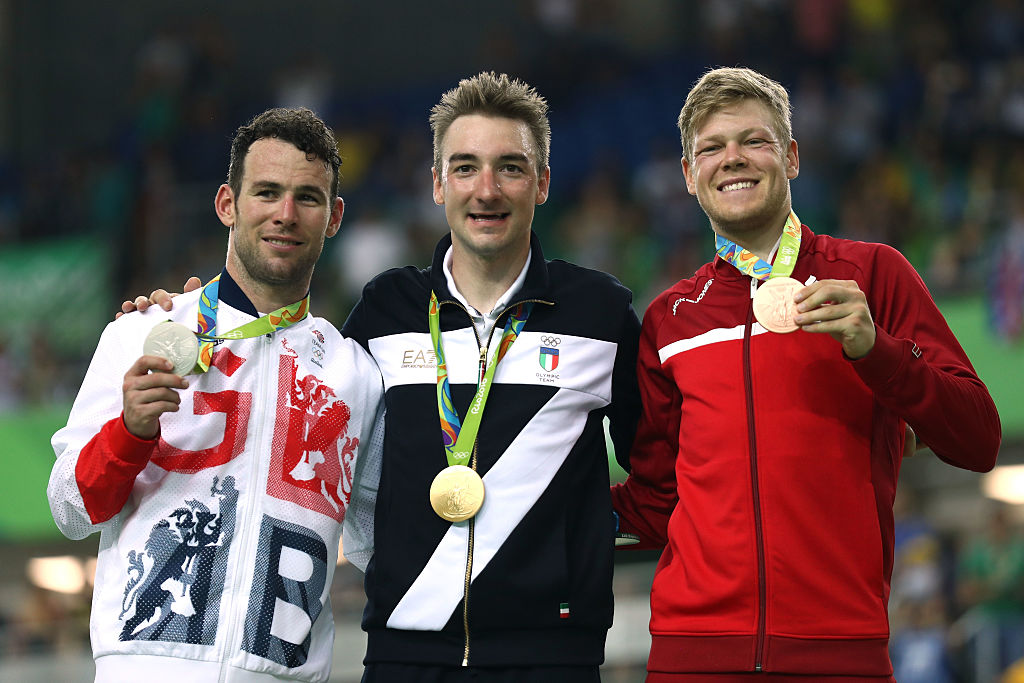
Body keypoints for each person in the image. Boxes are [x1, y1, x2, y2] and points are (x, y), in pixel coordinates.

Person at [610, 67, 1002, 681]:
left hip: (839, 648)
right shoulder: (670, 319)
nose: (732, 159)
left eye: (754, 141)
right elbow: (659, 501)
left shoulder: (874, 275)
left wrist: (877, 350)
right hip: (692, 654)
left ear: (791, 156)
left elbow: (979, 439)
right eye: (710, 148)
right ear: (689, 176)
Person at [48, 107, 383, 682]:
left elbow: (380, 543)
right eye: (267, 192)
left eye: (308, 197)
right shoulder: (139, 335)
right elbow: (70, 511)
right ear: (227, 203)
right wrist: (129, 432)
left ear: (334, 218)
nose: (285, 215)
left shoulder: (357, 374)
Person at [340, 71, 640, 682]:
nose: (487, 189)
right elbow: (325, 438)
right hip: (404, 656)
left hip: (554, 657)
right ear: (436, 183)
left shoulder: (599, 314)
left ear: (543, 182)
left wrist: (578, 536)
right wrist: (199, 316)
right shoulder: (384, 312)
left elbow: (663, 460)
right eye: (465, 167)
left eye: (510, 167)